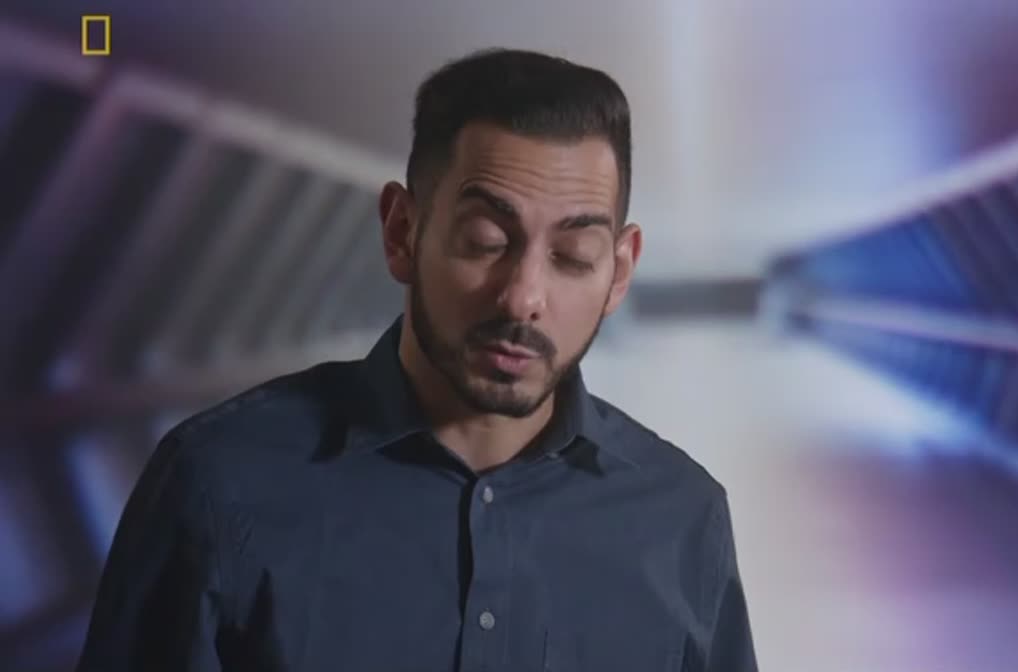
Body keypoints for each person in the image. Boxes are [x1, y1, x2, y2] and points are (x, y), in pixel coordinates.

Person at [76, 48, 758, 672]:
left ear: (619, 271)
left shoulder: (683, 519)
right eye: (486, 241)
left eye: (573, 257)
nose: (523, 297)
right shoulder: (218, 483)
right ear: (402, 232)